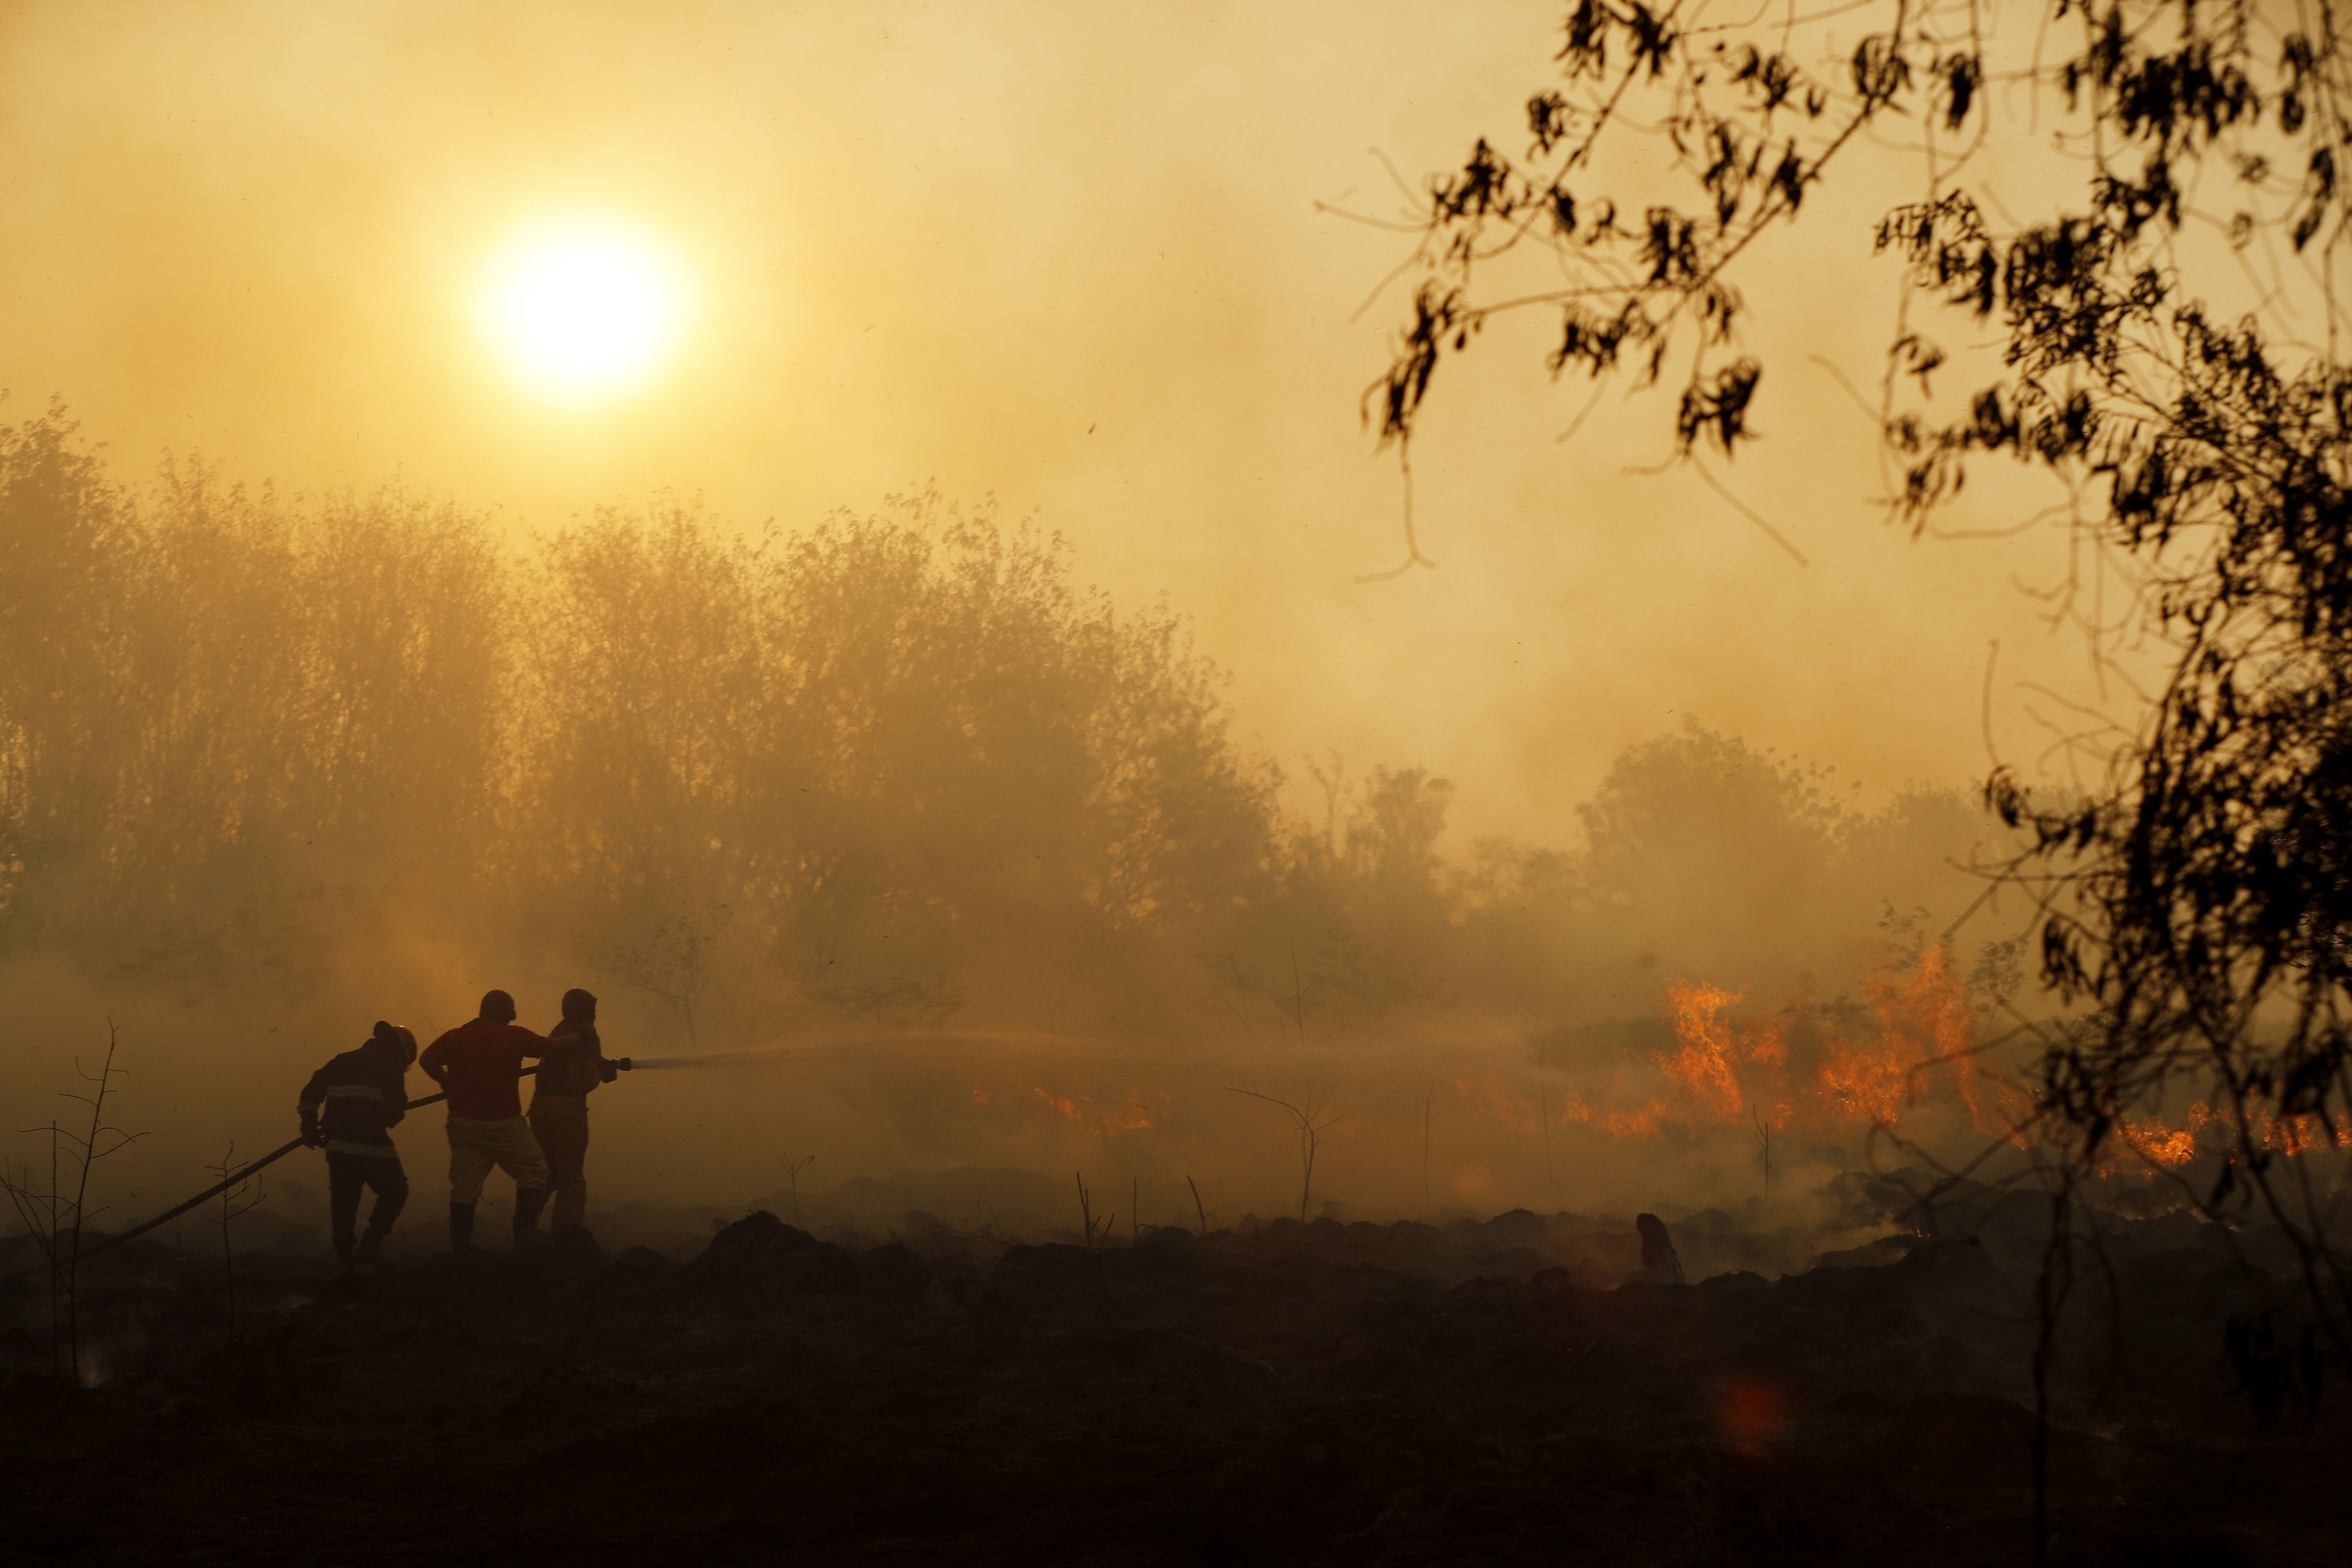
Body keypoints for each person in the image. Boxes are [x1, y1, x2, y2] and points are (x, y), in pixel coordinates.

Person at [418, 989, 553, 1252]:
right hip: (503, 1123)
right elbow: (551, 1048)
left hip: (463, 1124)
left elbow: (427, 1060)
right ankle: (525, 1232)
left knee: (465, 1187)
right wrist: (580, 1036)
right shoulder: (513, 1035)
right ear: (505, 1011)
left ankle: (461, 1246)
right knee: (534, 1171)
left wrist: (445, 1081)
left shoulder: (456, 1037)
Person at [297, 1021, 417, 1268]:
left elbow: (311, 1092)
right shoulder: (391, 1066)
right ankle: (371, 1247)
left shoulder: (342, 1060)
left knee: (344, 1204)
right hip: (374, 1146)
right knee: (396, 1192)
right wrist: (389, 1115)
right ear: (401, 1051)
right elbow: (395, 1112)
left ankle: (344, 1262)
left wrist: (309, 1127)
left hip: (339, 1146)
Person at [528, 987, 622, 1247]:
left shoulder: (556, 1033)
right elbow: (588, 1082)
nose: (595, 1017)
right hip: (568, 1112)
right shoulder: (588, 1036)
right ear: (585, 1013)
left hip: (539, 1109)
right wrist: (605, 1074)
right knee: (571, 1181)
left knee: (545, 1176)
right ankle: (566, 1242)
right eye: (592, 1011)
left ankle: (525, 1230)